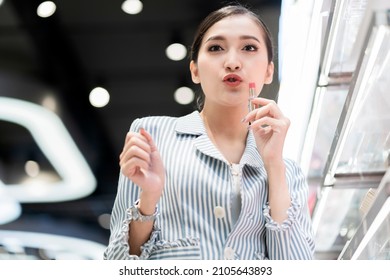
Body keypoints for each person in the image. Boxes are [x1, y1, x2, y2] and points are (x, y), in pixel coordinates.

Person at [104, 4, 315, 260]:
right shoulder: (153, 136)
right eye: (216, 48)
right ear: (194, 70)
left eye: (249, 48)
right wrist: (148, 199)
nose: (233, 62)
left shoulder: (288, 172)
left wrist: (274, 166)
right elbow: (117, 263)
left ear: (269, 70)